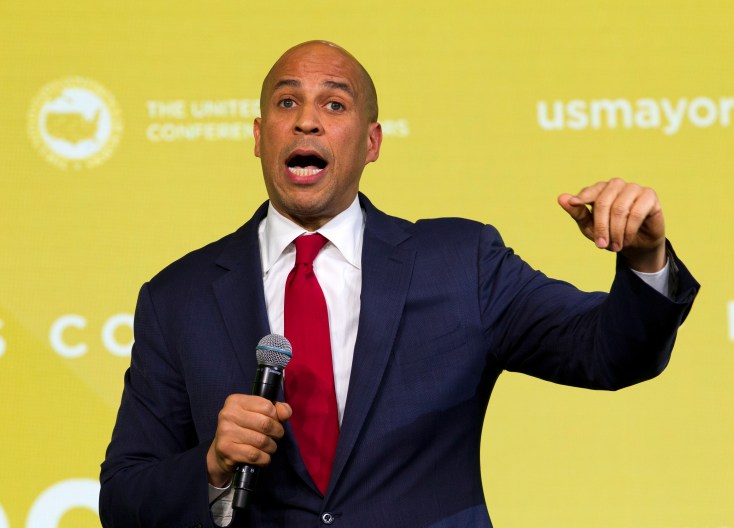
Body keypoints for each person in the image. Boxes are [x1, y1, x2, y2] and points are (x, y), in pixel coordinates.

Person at [99, 41, 698, 528]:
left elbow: (609, 353)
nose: (306, 119)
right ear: (259, 136)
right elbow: (123, 498)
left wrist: (646, 256)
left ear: (372, 142)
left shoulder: (461, 262)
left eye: (334, 105)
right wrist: (210, 466)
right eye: (286, 103)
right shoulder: (178, 296)